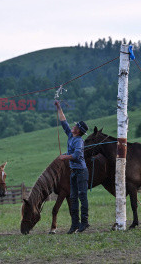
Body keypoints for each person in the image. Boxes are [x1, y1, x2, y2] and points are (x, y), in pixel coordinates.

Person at [54, 100, 89, 234]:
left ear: (78, 130)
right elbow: (64, 122)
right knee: (73, 197)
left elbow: (76, 155)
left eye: (75, 126)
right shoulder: (70, 135)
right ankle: (75, 224)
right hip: (74, 172)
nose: (73, 126)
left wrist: (64, 157)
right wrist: (59, 107)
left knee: (82, 196)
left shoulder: (79, 141)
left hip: (81, 171)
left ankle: (84, 223)